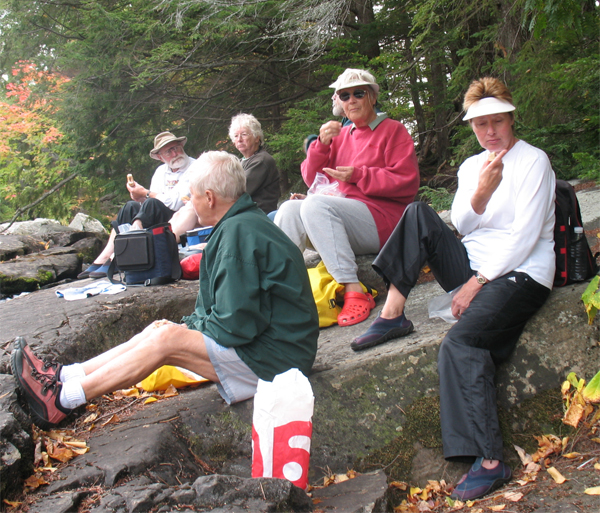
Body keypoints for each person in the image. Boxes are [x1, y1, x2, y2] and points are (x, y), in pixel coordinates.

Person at [12, 151, 319, 430]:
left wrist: (185, 330)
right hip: (273, 350)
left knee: (165, 338)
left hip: (277, 363)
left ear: (209, 198)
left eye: (192, 196)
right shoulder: (240, 224)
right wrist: (184, 327)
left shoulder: (238, 235)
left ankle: (63, 400)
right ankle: (65, 375)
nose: (190, 202)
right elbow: (229, 318)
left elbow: (234, 326)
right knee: (162, 330)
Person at [353, 77, 555, 500]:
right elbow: (463, 224)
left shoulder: (533, 161)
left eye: (498, 122)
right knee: (417, 214)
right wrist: (481, 190)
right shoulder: (470, 166)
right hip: (473, 264)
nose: (490, 133)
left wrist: (476, 284)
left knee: (460, 345)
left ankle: (491, 460)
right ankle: (392, 313)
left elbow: (526, 236)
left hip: (521, 272)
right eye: (481, 126)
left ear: (510, 118)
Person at [275, 68, 419, 327]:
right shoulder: (342, 135)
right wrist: (320, 144)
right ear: (339, 103)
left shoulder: (393, 130)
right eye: (344, 95)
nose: (351, 100)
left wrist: (360, 175)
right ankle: (282, 292)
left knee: (314, 204)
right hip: (345, 221)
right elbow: (311, 178)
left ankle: (355, 290)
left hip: (385, 221)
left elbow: (407, 182)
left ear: (372, 97)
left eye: (358, 93)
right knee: (288, 209)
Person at [78, 131, 197, 279]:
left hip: (181, 220)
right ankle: (105, 257)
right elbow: (151, 201)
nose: (175, 153)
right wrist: (139, 196)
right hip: (161, 219)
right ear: (160, 157)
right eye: (169, 151)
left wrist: (146, 193)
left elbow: (175, 202)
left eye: (177, 148)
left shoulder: (195, 167)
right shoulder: (161, 171)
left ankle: (121, 254)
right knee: (130, 206)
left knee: (151, 202)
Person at [229, 113, 281, 214]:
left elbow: (237, 192)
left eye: (244, 134)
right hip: (244, 215)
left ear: (257, 138)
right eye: (236, 136)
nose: (239, 139)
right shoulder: (241, 162)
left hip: (257, 217)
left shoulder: (262, 161)